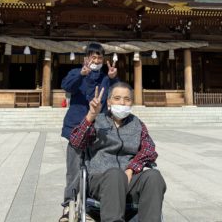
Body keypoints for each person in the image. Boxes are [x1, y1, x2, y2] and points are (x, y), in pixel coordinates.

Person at [70, 82, 166, 222]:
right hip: (101, 179)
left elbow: (149, 149)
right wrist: (91, 115)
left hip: (129, 180)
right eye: (117, 98)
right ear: (109, 101)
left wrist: (131, 169)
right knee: (115, 174)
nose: (122, 102)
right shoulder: (97, 121)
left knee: (153, 176)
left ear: (131, 102)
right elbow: (76, 142)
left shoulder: (137, 124)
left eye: (127, 99)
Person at [59, 42, 119, 222]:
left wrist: (114, 79)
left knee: (95, 168)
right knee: (74, 170)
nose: (97, 60)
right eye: (93, 57)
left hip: (98, 129)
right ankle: (69, 205)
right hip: (76, 128)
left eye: (100, 57)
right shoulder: (77, 72)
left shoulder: (106, 77)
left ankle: (90, 206)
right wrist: (81, 73)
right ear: (86, 58)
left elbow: (116, 95)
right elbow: (67, 87)